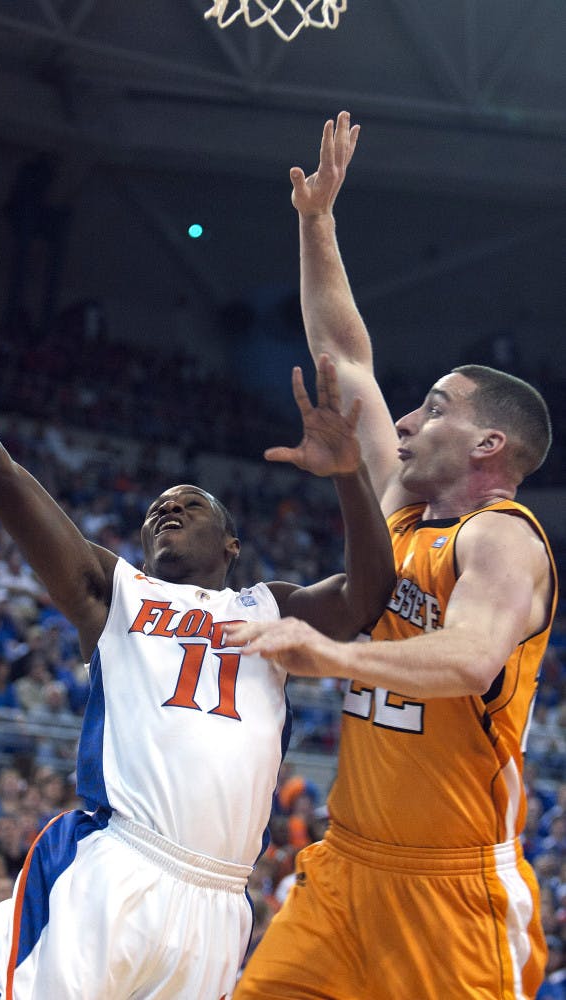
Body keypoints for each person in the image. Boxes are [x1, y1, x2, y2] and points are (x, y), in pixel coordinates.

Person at [0, 268, 394, 999]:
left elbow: (369, 596)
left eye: (190, 504)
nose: (167, 510)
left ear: (231, 545)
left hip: (222, 901)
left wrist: (351, 476)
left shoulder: (272, 607)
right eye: (157, 507)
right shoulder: (115, 592)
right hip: (117, 863)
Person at [230, 112, 559, 1000]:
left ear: (490, 444)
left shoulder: (505, 540)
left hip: (452, 891)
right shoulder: (402, 504)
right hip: (345, 868)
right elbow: (345, 359)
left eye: (434, 407)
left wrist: (335, 655)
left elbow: (469, 657)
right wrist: (317, 224)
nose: (406, 421)